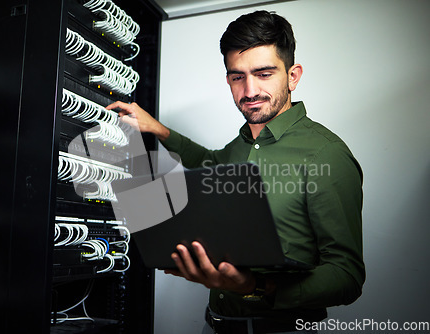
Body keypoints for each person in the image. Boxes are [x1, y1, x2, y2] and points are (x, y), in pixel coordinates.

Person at [107, 10, 364, 334]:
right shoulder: (241, 144)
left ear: (293, 76)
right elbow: (210, 163)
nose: (249, 90)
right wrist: (158, 129)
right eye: (237, 76)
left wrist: (258, 286)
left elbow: (348, 275)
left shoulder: (326, 155)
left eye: (264, 74)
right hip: (214, 324)